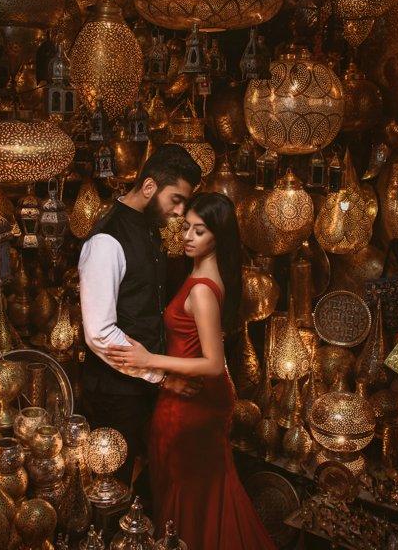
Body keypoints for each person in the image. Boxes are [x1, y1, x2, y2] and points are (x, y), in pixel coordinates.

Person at [106, 192, 277, 550]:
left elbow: (214, 364)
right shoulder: (201, 275)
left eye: (198, 231)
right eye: (186, 227)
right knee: (199, 491)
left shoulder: (202, 290)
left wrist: (149, 360)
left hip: (194, 402)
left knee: (191, 495)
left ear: (218, 237)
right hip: (188, 396)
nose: (186, 236)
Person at [78, 144, 203, 488]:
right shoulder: (106, 241)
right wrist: (161, 377)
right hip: (116, 394)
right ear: (149, 187)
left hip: (144, 384)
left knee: (149, 483)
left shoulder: (148, 227)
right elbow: (101, 333)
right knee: (112, 490)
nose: (179, 211)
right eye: (175, 199)